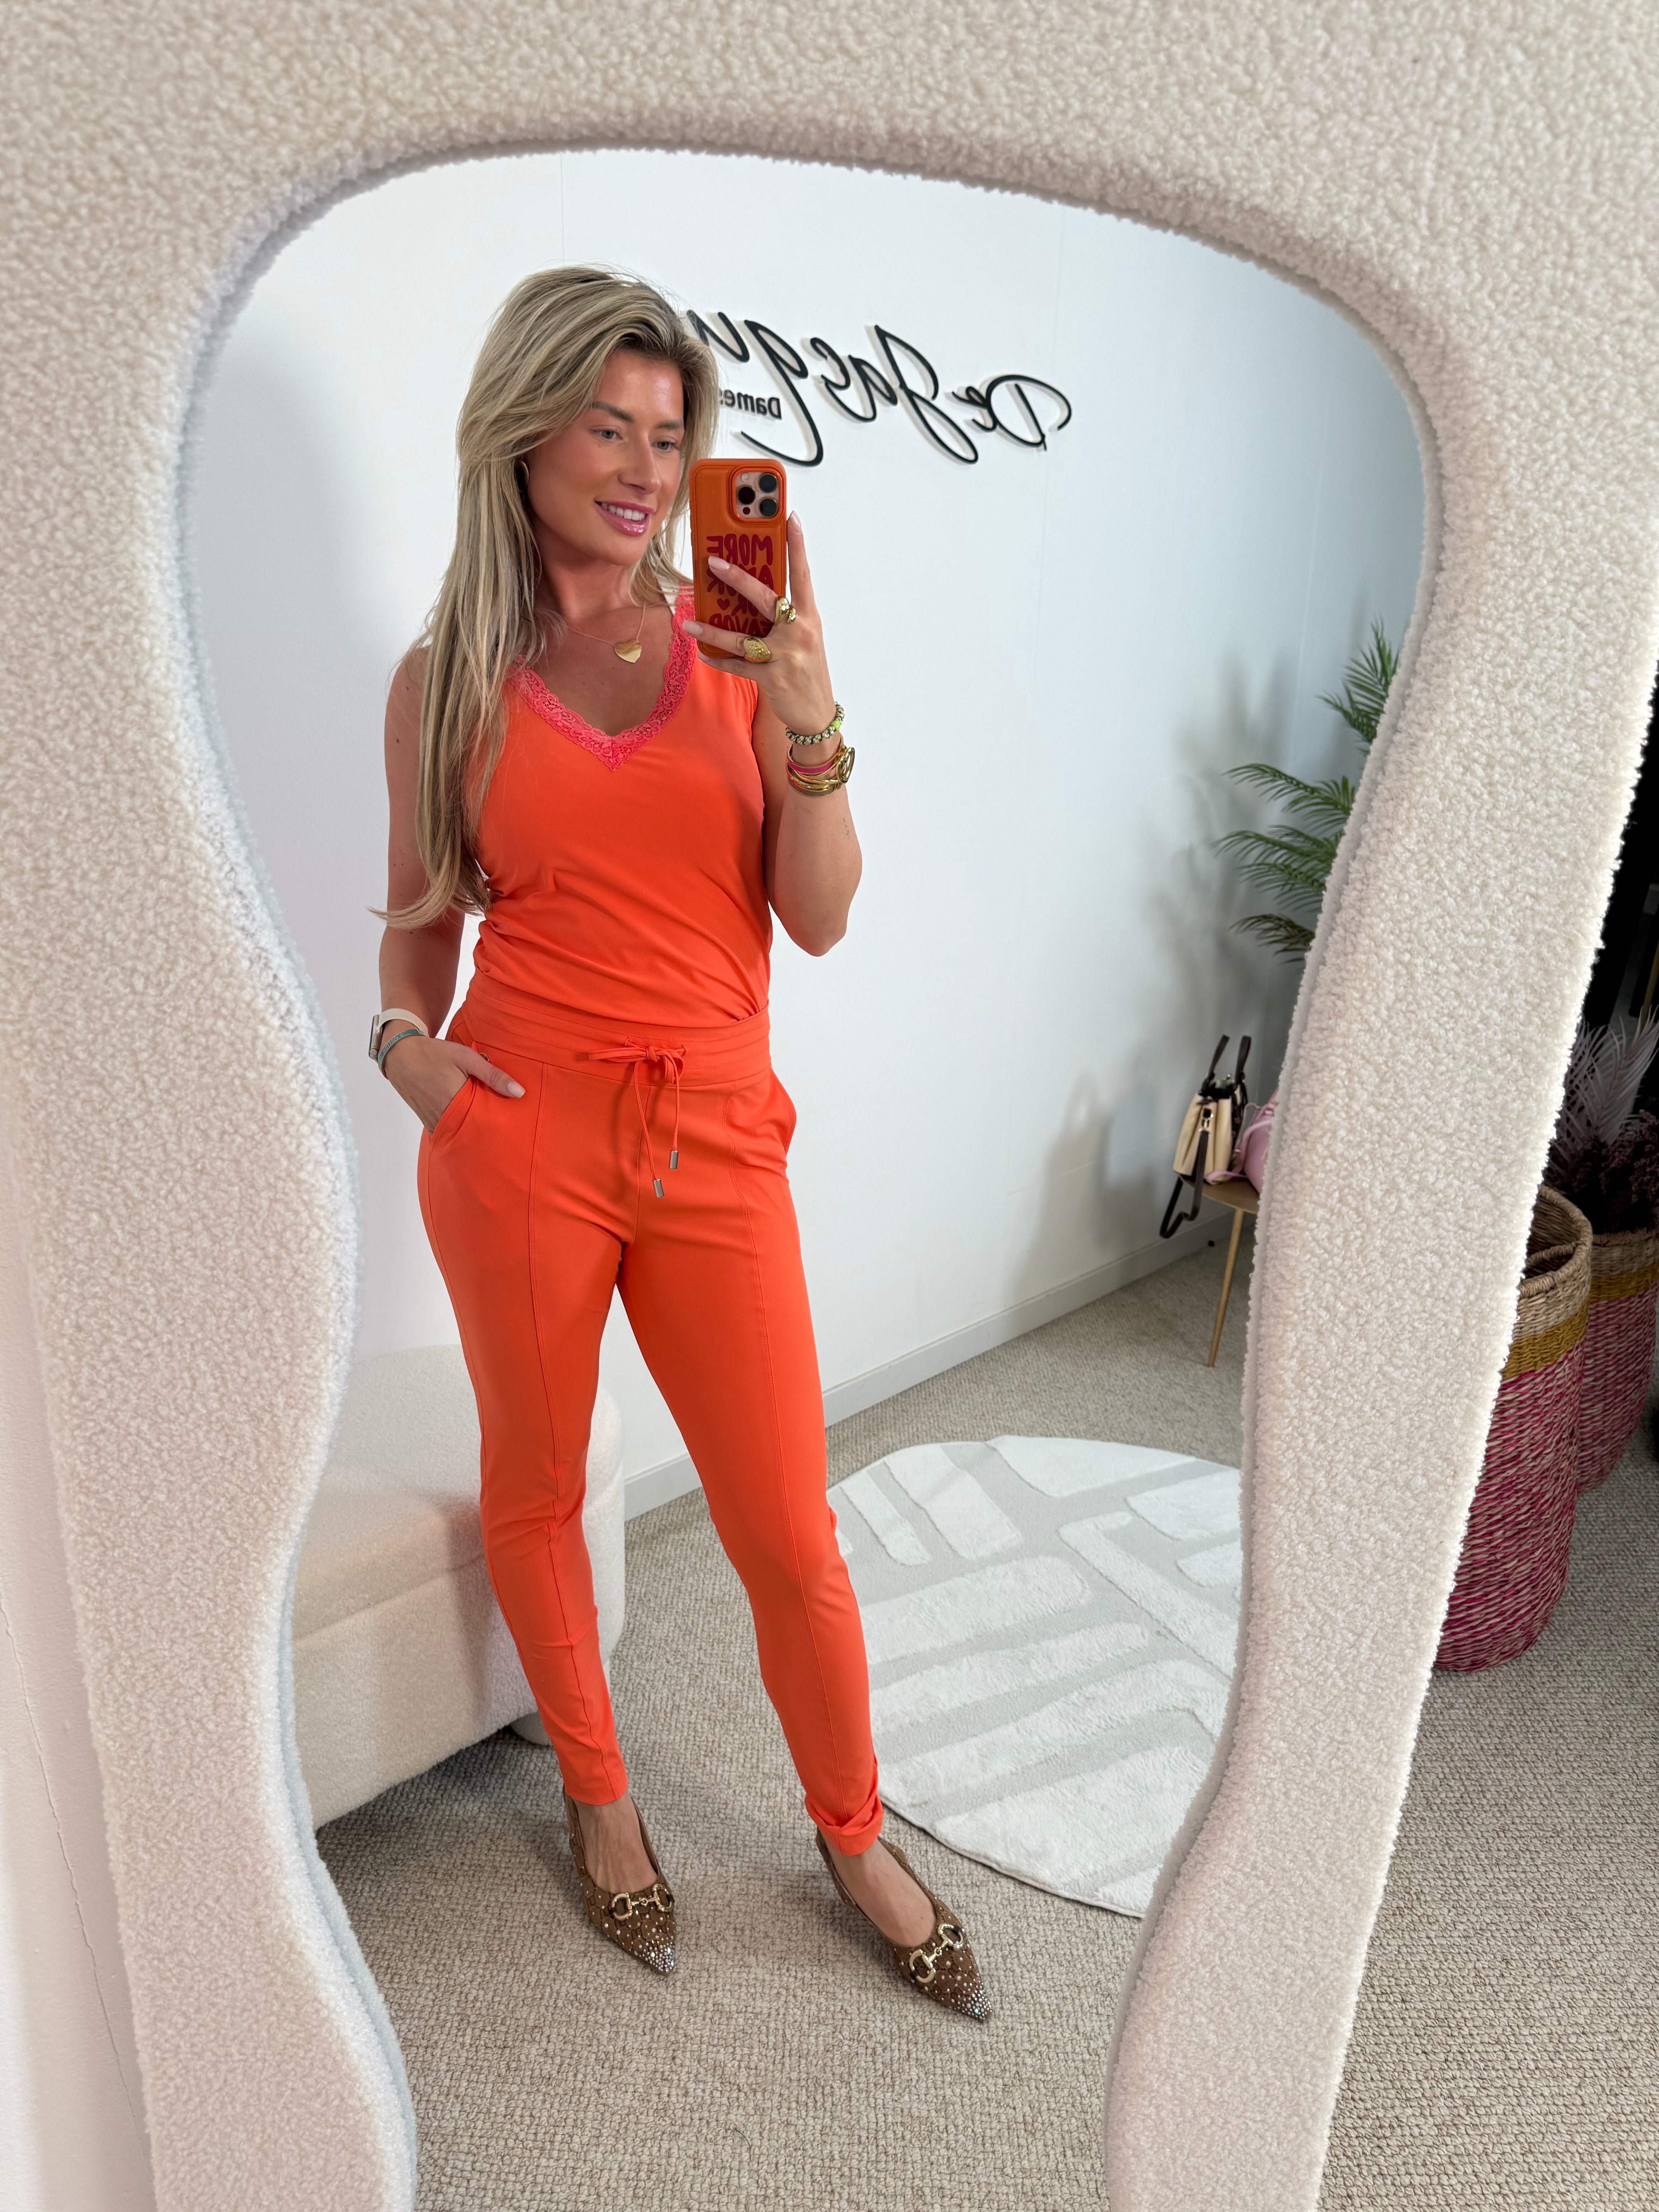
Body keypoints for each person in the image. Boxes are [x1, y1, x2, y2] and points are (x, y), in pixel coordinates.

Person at [368, 266, 988, 2019]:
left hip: (713, 1126)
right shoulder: (445, 682)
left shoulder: (737, 646)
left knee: (785, 1526)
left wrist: (809, 712)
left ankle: (851, 1834)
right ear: (523, 435)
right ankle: (599, 1796)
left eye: (671, 436)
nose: (647, 469)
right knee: (540, 1483)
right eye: (608, 428)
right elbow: (420, 922)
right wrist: (413, 1056)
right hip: (517, 1129)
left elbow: (822, 921)